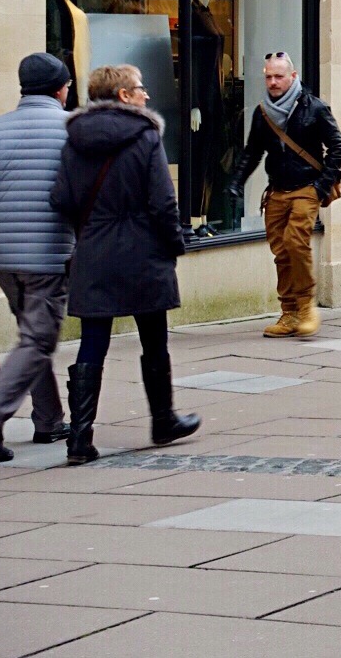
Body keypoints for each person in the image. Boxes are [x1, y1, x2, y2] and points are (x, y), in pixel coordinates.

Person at [49, 64, 199, 464]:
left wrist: (92, 226)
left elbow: (61, 199)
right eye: (140, 88)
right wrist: (175, 245)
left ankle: (79, 440)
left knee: (93, 342)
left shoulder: (74, 139)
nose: (146, 94)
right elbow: (163, 202)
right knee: (153, 338)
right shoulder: (146, 137)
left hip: (95, 251)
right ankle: (163, 420)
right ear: (123, 96)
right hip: (143, 251)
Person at [0, 53, 76, 462]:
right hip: (49, 254)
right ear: (60, 89)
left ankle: (49, 419)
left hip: (3, 256)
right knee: (37, 339)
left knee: (31, 336)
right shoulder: (72, 130)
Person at [226, 53, 341, 338]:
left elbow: (337, 148)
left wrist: (320, 187)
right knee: (281, 252)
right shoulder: (262, 112)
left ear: (293, 77)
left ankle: (306, 308)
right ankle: (289, 312)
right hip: (277, 191)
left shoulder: (314, 108)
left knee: (296, 242)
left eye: (279, 76)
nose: (273, 82)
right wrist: (237, 182)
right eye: (268, 76)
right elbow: (252, 152)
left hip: (306, 188)